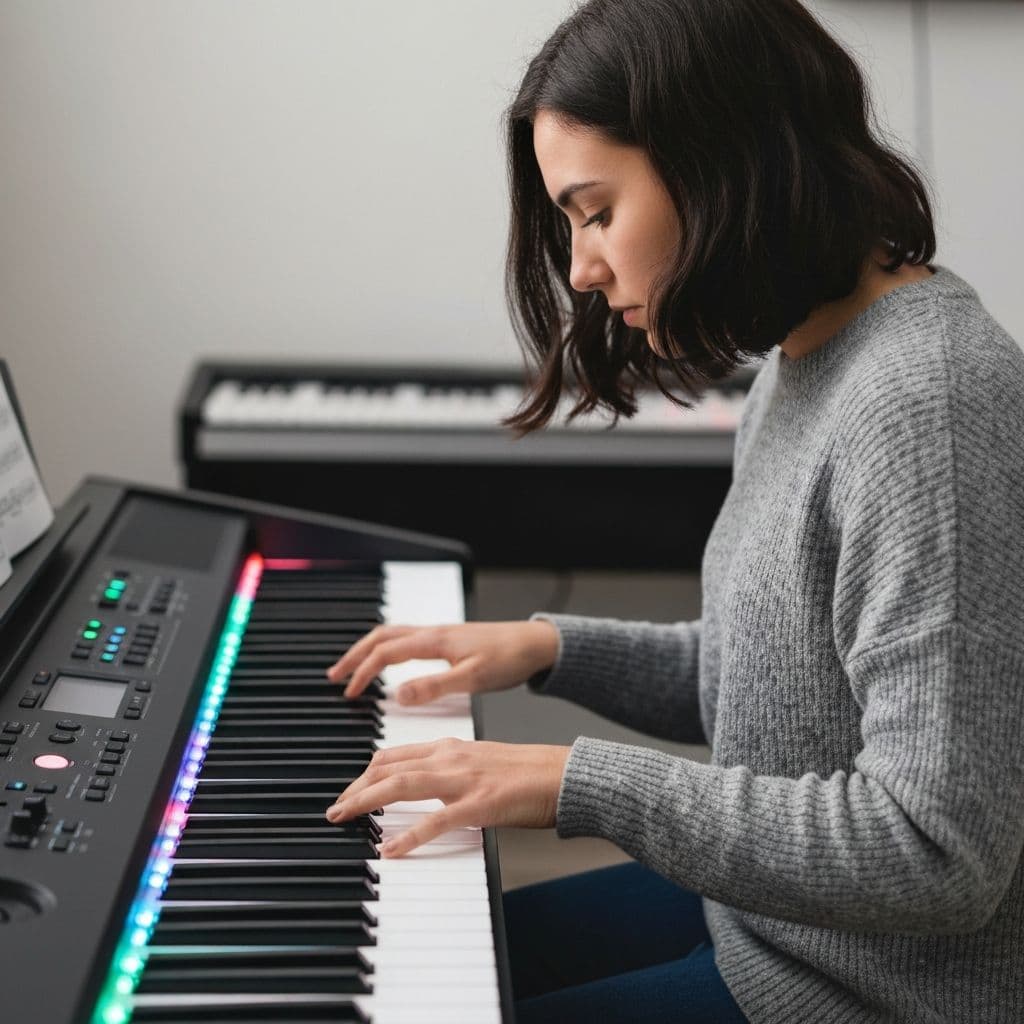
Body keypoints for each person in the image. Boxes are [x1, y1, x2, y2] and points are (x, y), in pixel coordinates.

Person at [323, 1, 1024, 1021]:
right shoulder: (808, 358)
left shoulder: (927, 402)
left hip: (867, 990)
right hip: (775, 927)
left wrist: (577, 783)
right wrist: (547, 648)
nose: (580, 270)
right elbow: (778, 691)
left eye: (596, 212)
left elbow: (934, 853)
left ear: (721, 166)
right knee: (410, 968)